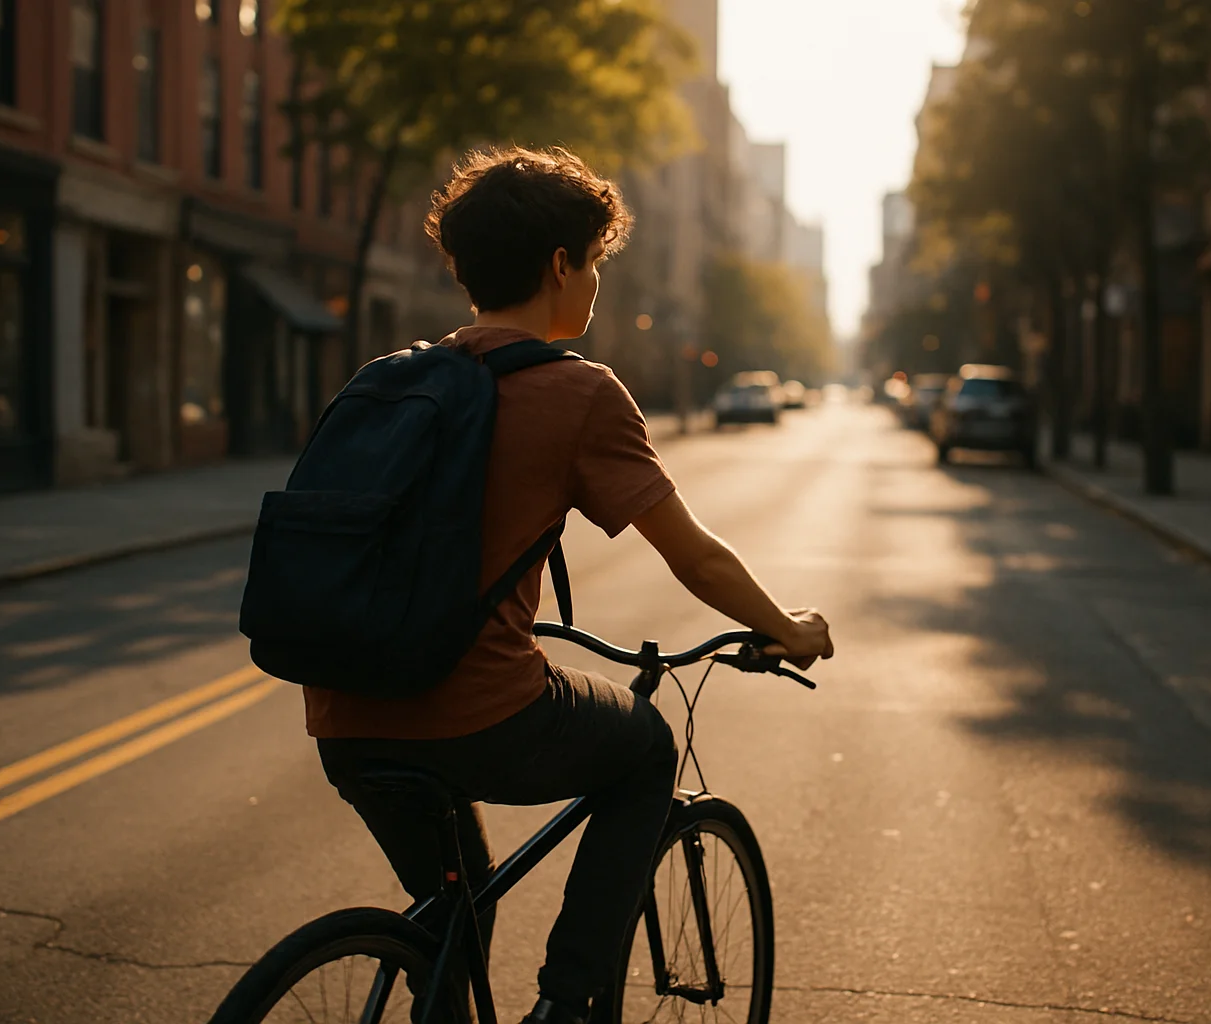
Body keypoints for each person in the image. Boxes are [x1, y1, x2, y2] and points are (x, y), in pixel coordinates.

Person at [307, 147, 834, 1024]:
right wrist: (787, 624)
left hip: (342, 717)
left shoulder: (391, 380)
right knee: (645, 750)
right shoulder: (579, 392)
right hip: (480, 715)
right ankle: (564, 1002)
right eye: (594, 263)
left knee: (456, 911)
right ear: (561, 265)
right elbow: (693, 555)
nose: (597, 283)